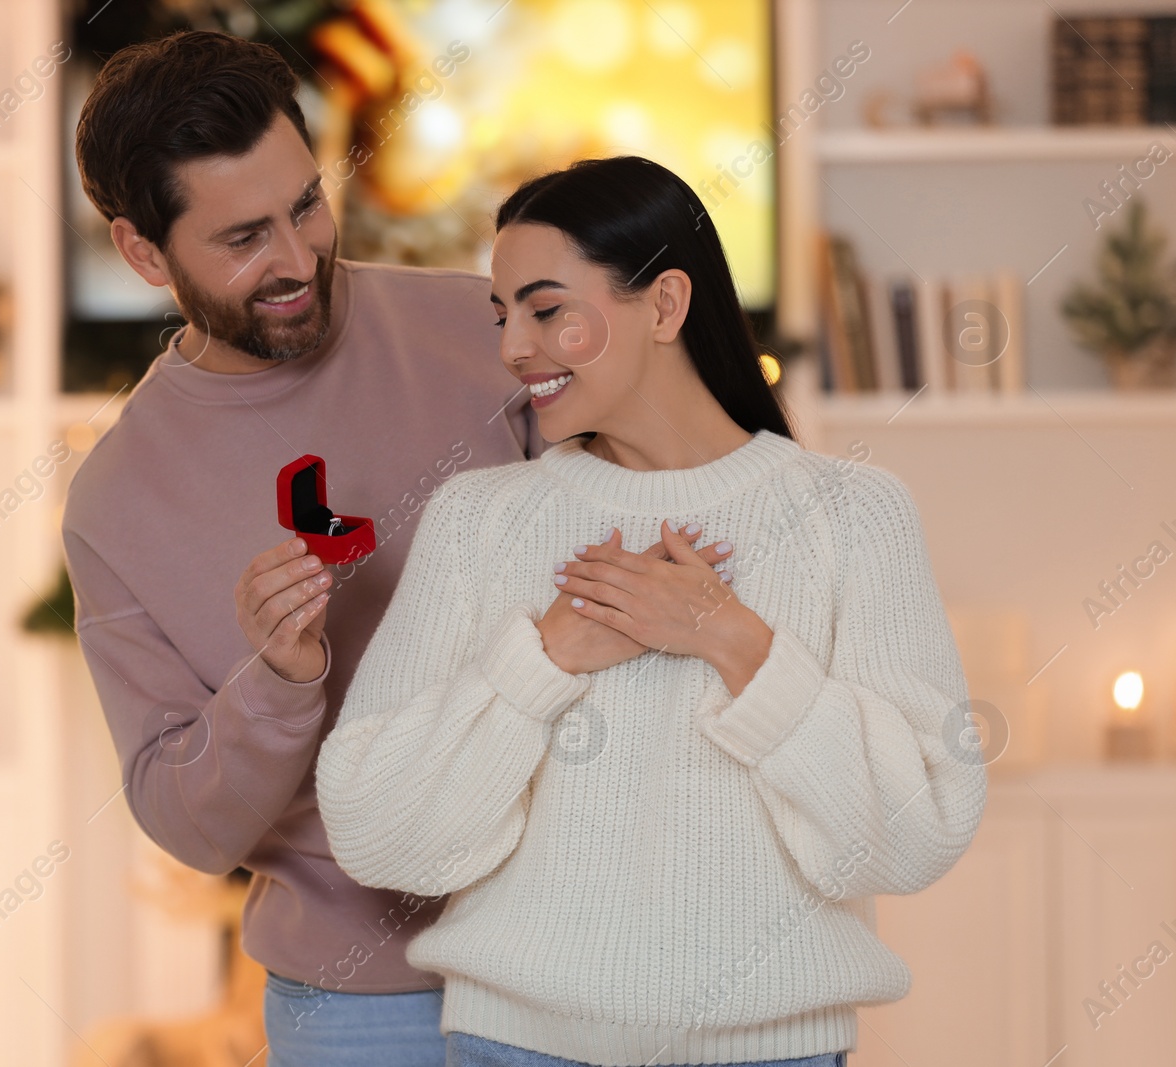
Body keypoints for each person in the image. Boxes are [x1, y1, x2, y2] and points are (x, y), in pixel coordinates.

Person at [63, 31, 727, 1067]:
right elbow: (185, 821)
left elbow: (665, 539)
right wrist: (277, 680)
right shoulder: (117, 499)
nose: (295, 259)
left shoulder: (482, 327)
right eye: (242, 238)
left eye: (304, 207)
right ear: (144, 252)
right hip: (357, 1003)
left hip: (582, 952)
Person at [315, 156, 988, 1067]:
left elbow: (917, 832)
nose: (515, 347)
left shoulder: (854, 516)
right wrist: (541, 660)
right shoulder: (479, 520)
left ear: (666, 305)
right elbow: (377, 832)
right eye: (504, 314)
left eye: (548, 310)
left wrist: (734, 641)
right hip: (512, 1048)